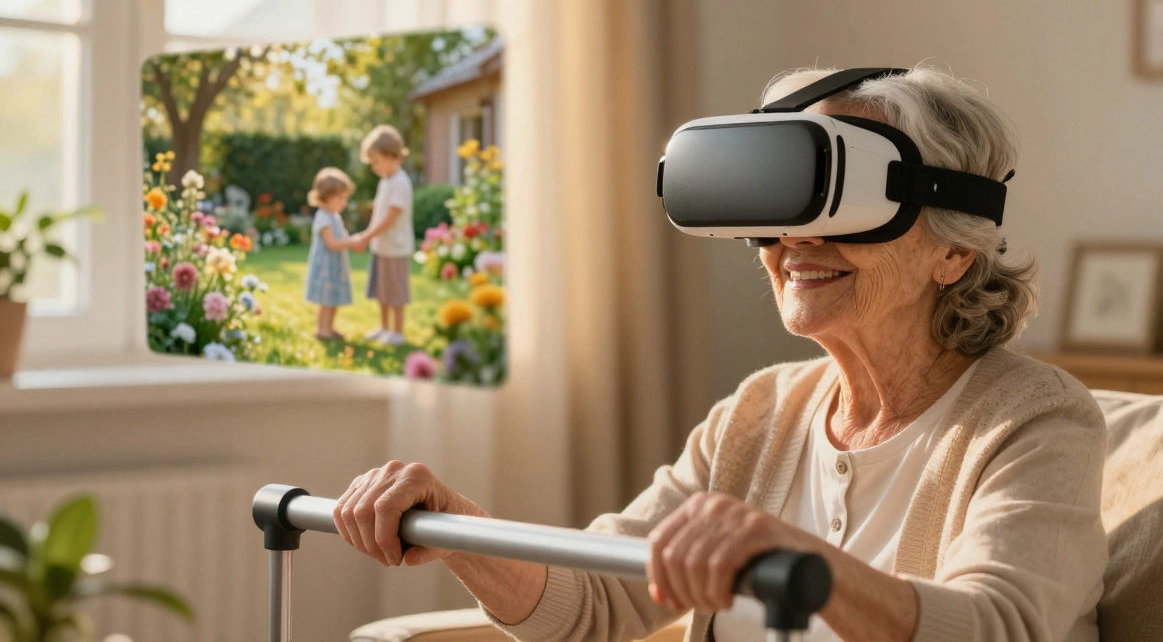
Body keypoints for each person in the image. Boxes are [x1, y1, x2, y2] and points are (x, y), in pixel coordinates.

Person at [332, 66, 1109, 642]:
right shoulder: (760, 413)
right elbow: (601, 605)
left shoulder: (1036, 420)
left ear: (955, 253)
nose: (795, 241)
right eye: (777, 204)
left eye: (845, 204)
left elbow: (1000, 628)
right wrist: (457, 527)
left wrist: (805, 565)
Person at [352, 125, 415, 346]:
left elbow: (389, 219)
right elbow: (378, 213)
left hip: (396, 248)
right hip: (381, 247)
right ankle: (384, 327)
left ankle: (398, 331)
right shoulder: (386, 180)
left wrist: (366, 236)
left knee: (395, 291)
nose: (374, 167)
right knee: (381, 290)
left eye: (376, 162)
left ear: (390, 156)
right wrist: (369, 237)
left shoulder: (400, 182)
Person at [304, 167, 364, 341]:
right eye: (341, 198)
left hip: (335, 268)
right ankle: (323, 330)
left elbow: (343, 238)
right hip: (325, 270)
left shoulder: (335, 216)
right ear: (328, 197)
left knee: (333, 300)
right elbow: (332, 243)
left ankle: (329, 328)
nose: (344, 203)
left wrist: (353, 243)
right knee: (325, 302)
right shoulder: (323, 218)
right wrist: (352, 242)